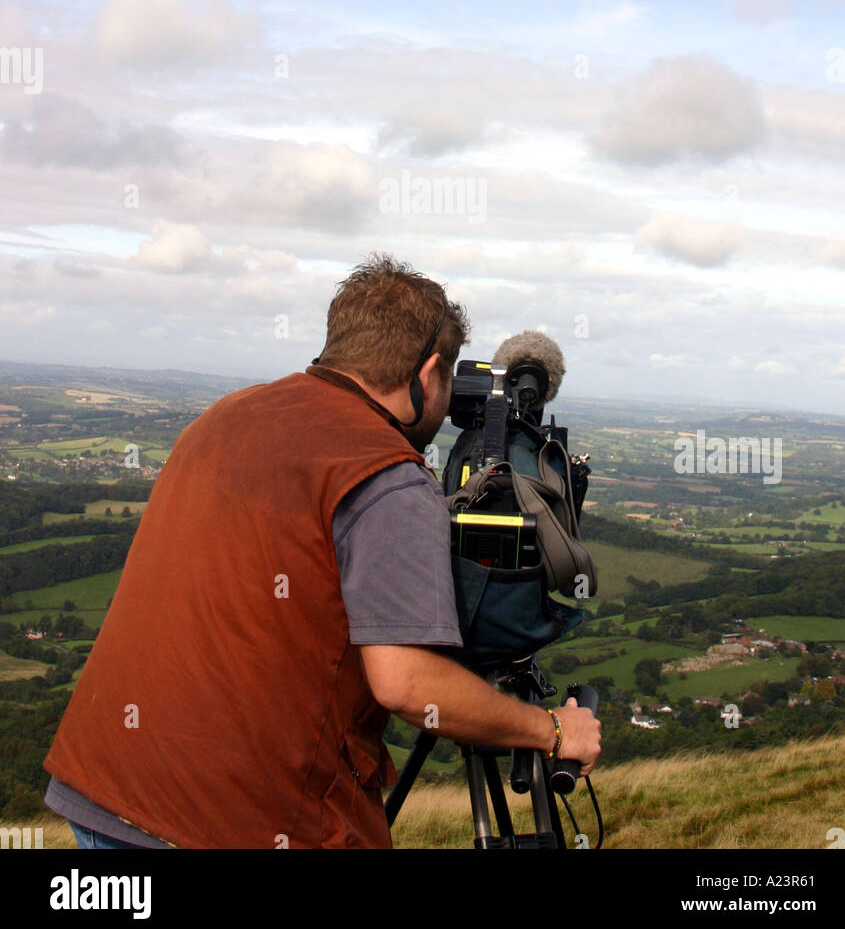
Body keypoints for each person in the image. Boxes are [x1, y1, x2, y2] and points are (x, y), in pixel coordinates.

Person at [42, 253, 601, 849]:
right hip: (236, 822)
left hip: (103, 788)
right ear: (430, 370)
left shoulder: (225, 416)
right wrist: (548, 729)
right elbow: (408, 685)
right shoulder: (387, 473)